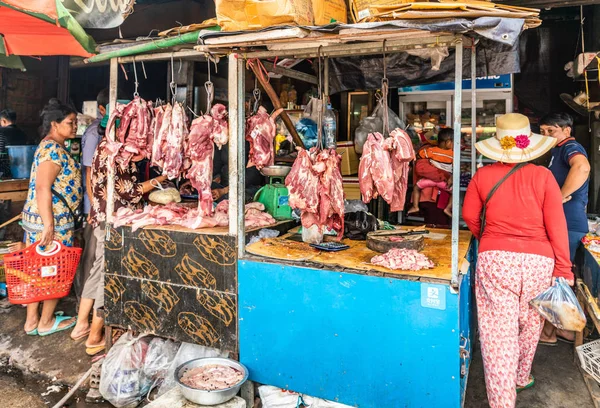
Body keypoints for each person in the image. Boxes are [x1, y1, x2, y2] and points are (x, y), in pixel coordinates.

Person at [463, 113, 573, 408]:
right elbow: (556, 225)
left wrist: (488, 238)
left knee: (499, 334)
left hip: (496, 261)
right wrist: (564, 267)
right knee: (530, 323)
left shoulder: (483, 176)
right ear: (529, 145)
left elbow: (470, 216)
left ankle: (502, 401)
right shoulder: (544, 176)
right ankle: (521, 377)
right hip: (539, 262)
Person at [71, 105, 167, 355]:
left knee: (97, 269)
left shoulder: (104, 146)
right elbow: (128, 190)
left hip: (104, 216)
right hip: (115, 219)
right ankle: (95, 336)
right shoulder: (116, 152)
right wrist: (159, 181)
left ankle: (81, 324)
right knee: (109, 272)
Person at [19, 99, 82, 336]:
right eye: (70, 122)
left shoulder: (48, 146)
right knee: (53, 271)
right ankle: (45, 322)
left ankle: (32, 321)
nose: (75, 126)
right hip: (51, 224)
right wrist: (49, 225)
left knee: (37, 270)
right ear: (54, 124)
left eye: (75, 122)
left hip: (42, 221)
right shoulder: (53, 150)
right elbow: (44, 187)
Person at [539, 112, 591, 346]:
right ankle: (560, 330)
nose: (547, 135)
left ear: (566, 130)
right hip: (565, 222)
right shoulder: (557, 150)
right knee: (561, 276)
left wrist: (558, 197)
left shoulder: (571, 146)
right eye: (543, 132)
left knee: (559, 277)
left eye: (552, 131)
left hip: (567, 223)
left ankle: (550, 333)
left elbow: (582, 167)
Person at [73, 89, 109, 305]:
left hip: (104, 204)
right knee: (92, 254)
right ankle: (81, 302)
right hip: (94, 205)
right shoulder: (95, 132)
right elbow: (89, 172)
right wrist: (94, 206)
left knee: (100, 255)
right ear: (102, 109)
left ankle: (96, 303)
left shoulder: (109, 129)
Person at [408, 128, 454, 217]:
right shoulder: (430, 149)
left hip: (437, 194)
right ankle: (447, 208)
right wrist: (447, 175)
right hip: (432, 197)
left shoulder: (430, 151)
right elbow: (422, 168)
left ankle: (415, 206)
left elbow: (418, 155)